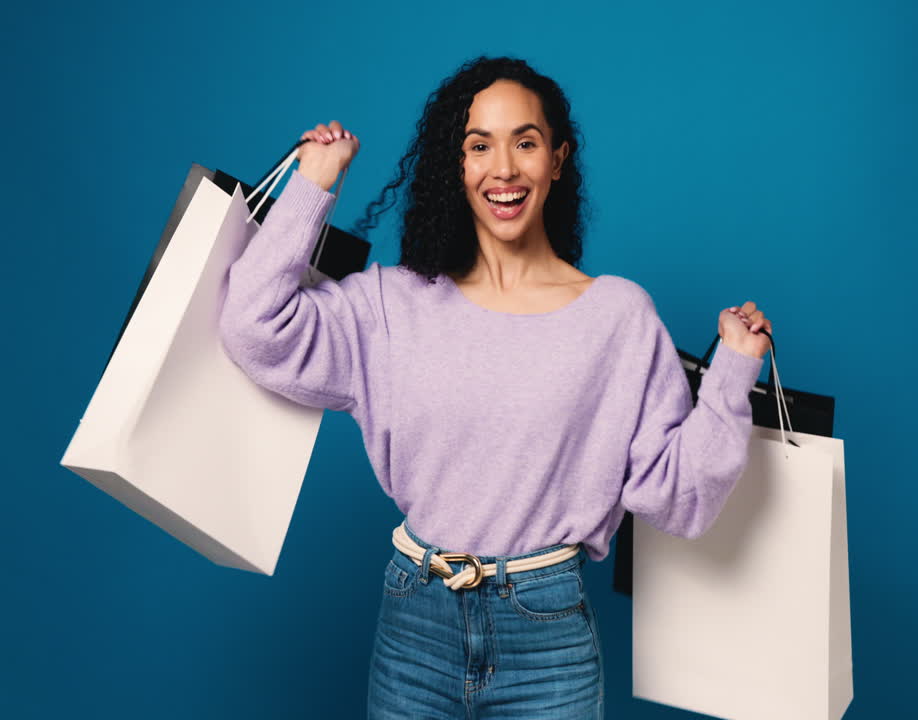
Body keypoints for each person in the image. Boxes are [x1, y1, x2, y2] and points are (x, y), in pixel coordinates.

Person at [218, 56, 772, 719]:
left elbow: (681, 499)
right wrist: (312, 186)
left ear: (558, 160)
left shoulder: (618, 320)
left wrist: (734, 372)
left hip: (548, 638)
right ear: (456, 164)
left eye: (526, 143)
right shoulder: (393, 305)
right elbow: (254, 328)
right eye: (479, 145)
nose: (503, 169)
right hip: (413, 624)